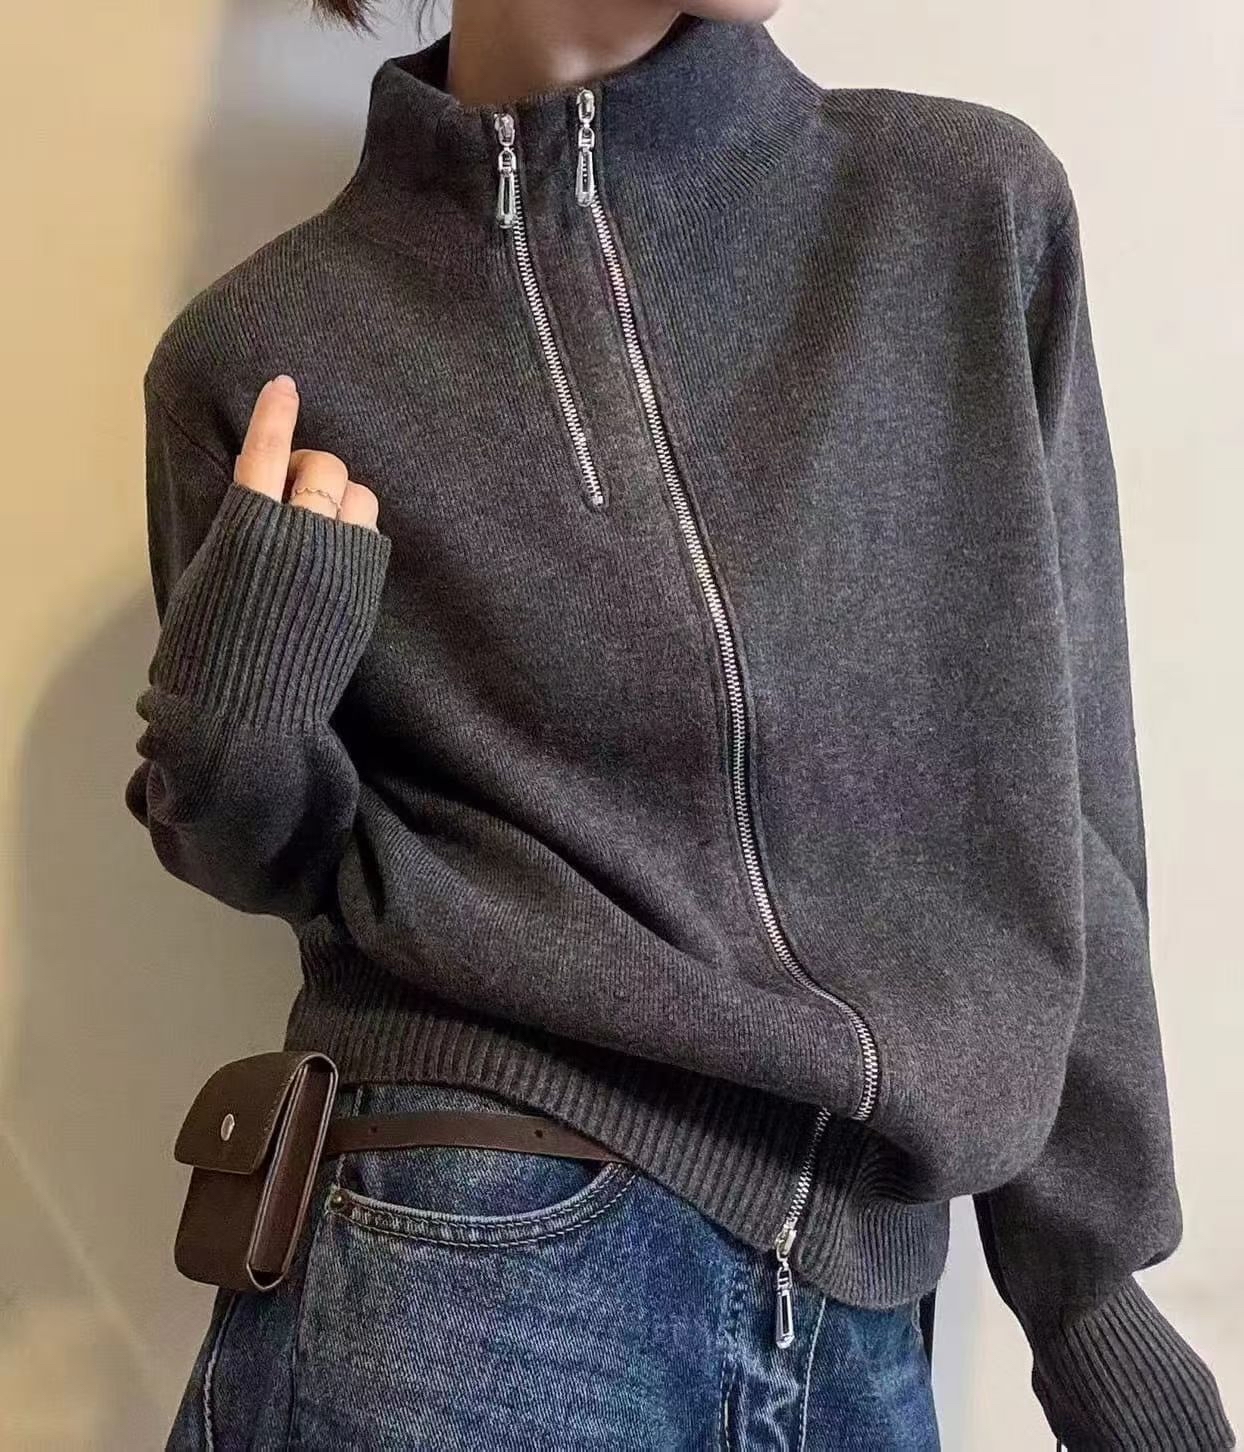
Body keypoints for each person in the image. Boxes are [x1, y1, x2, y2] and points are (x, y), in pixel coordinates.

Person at [126, 2, 1235, 1448]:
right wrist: (234, 716)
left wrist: (1087, 1294)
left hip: (857, 1329)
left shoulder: (962, 211)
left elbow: (1059, 785)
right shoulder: (257, 354)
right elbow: (273, 861)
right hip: (471, 1252)